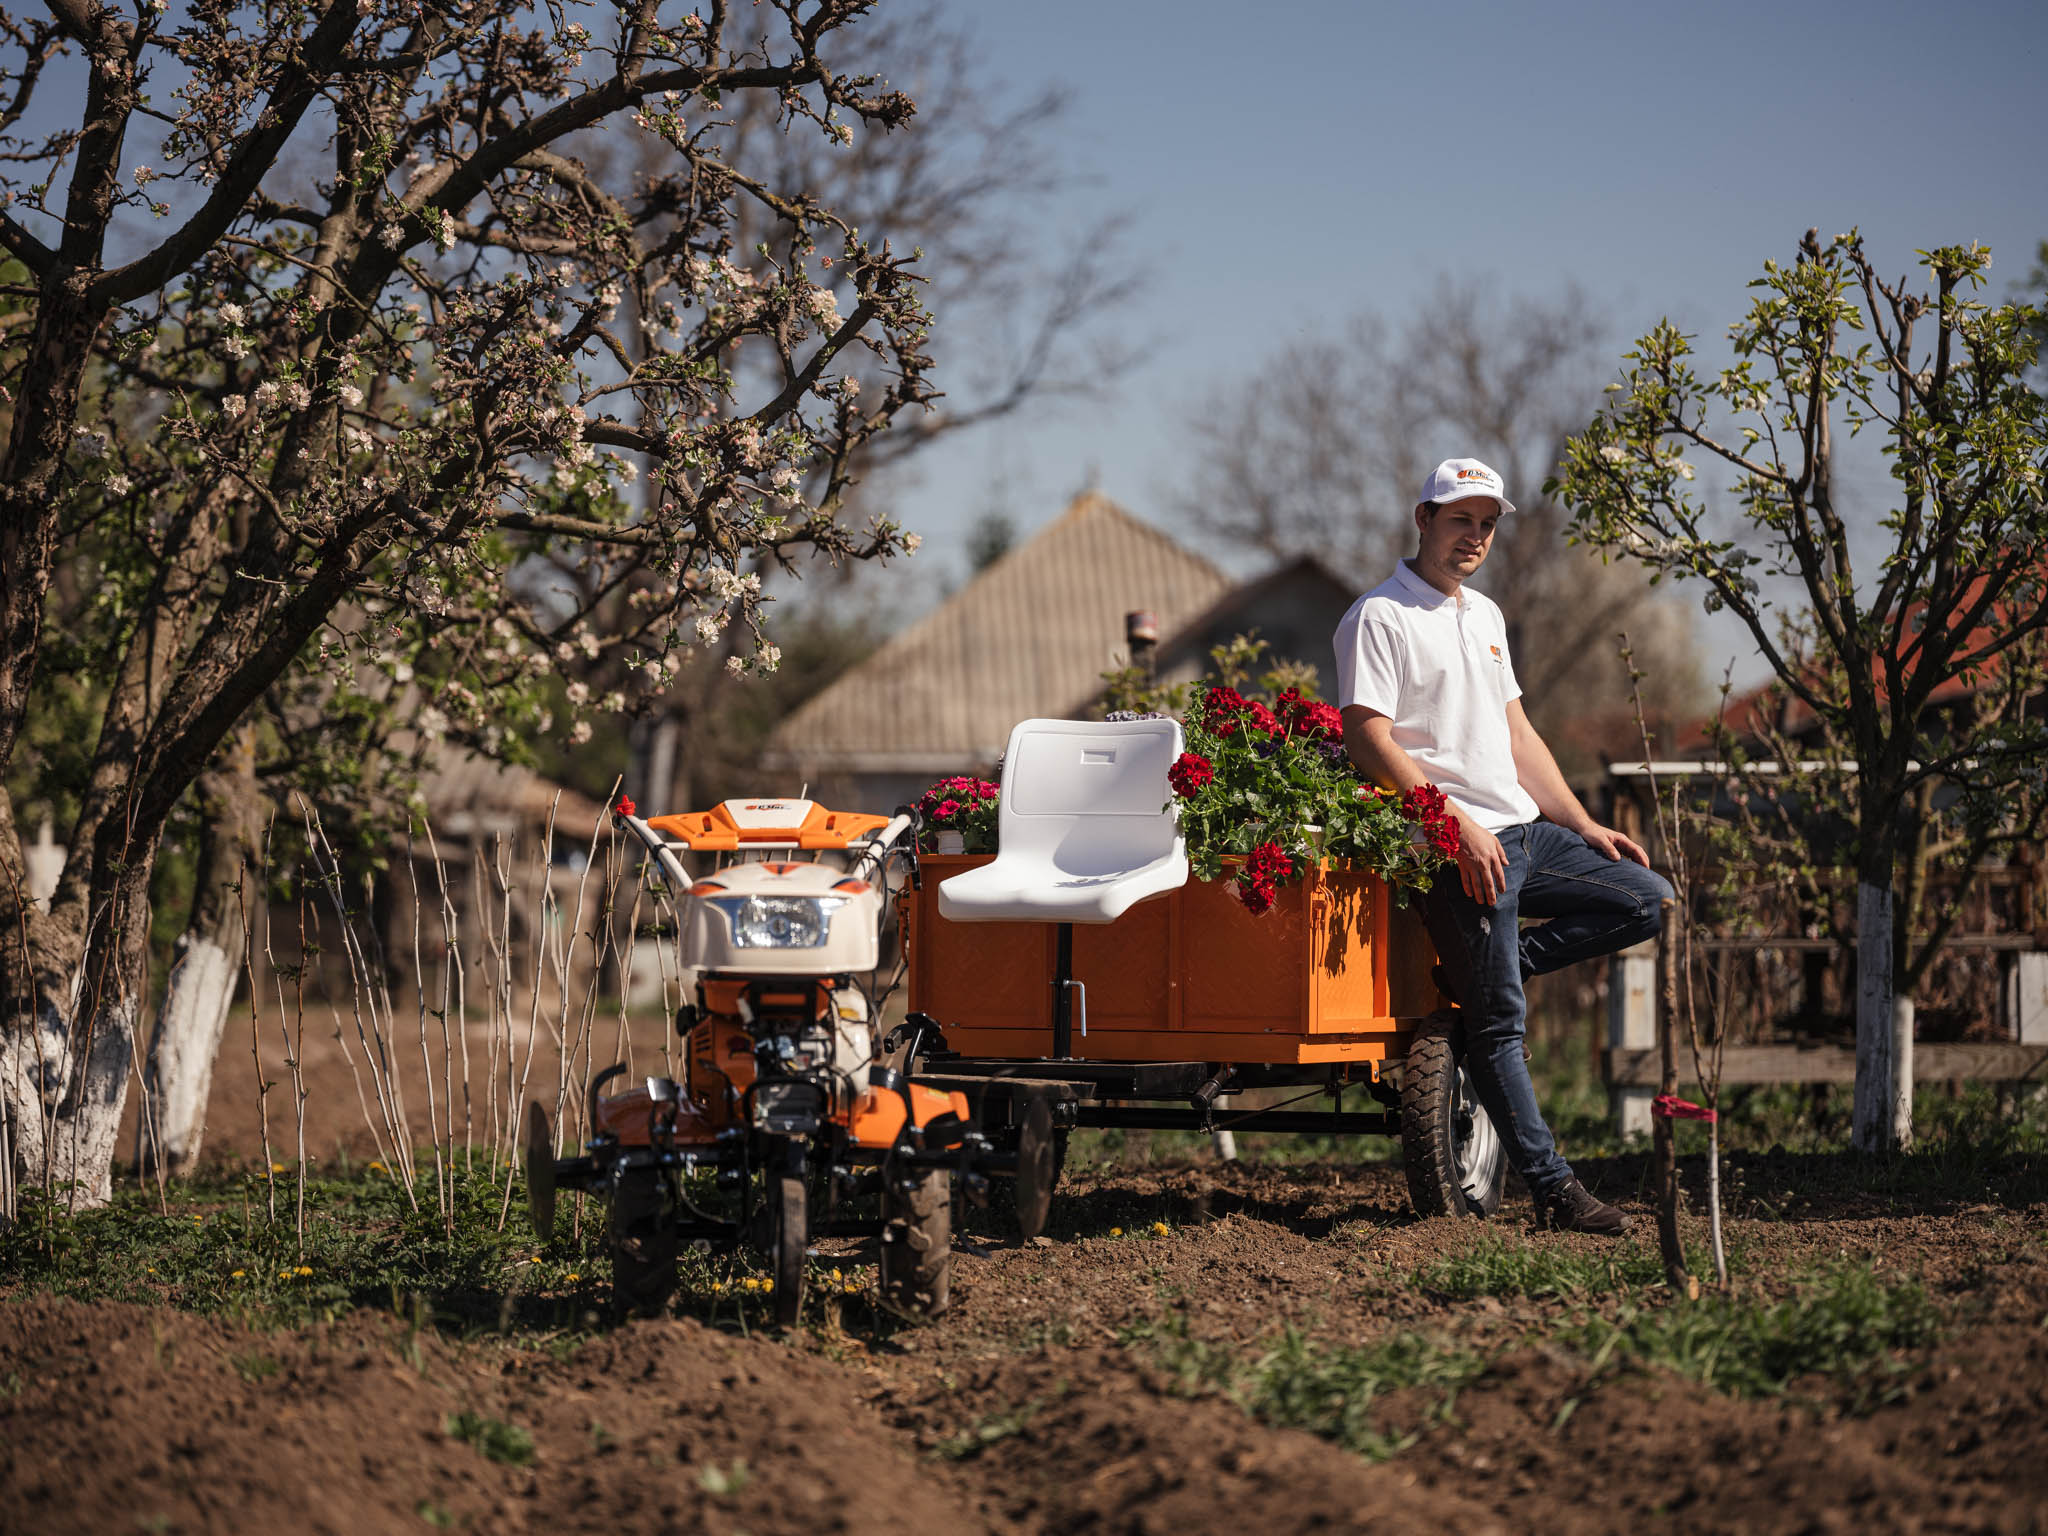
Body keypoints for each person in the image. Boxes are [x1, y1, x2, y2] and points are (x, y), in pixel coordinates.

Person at [1334, 457, 1672, 1235]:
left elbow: (1516, 732)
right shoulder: (1379, 616)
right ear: (1423, 520)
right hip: (1453, 847)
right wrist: (1451, 826)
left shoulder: (1483, 616)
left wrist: (1582, 822)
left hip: (1526, 831)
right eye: (1460, 520)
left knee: (1647, 900)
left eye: (1487, 525)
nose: (1475, 538)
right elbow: (1364, 735)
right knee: (1500, 1029)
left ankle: (1490, 974)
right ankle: (1555, 1192)